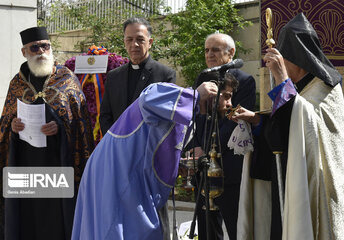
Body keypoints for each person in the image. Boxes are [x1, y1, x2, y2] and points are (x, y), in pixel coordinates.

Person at [232, 13, 344, 239]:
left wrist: (283, 80)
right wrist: (257, 120)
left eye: (283, 58)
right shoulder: (298, 89)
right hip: (287, 180)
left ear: (299, 57)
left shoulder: (326, 88)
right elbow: (283, 130)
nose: (280, 64)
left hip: (313, 188)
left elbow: (308, 126)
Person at [71, 81, 219, 240]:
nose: (229, 104)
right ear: (211, 90)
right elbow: (147, 98)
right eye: (227, 97)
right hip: (116, 171)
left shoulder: (188, 112)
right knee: (115, 228)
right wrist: (195, 94)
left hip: (129, 171)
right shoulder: (173, 93)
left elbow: (155, 146)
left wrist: (177, 165)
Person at [0, 27, 94, 239]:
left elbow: (80, 122)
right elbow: (5, 123)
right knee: (27, 218)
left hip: (57, 164)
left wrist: (60, 127)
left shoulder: (67, 79)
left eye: (46, 46)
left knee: (56, 220)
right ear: (25, 52)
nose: (42, 51)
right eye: (35, 47)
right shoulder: (16, 83)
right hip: (25, 163)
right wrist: (13, 128)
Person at [191, 33, 256, 240]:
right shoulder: (202, 79)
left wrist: (208, 145)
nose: (209, 54)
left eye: (215, 50)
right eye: (207, 50)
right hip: (203, 171)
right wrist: (196, 146)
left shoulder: (245, 82)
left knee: (237, 228)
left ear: (231, 53)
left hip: (230, 169)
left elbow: (235, 122)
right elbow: (194, 116)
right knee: (207, 232)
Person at [100, 17, 176, 135]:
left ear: (150, 42)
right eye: (129, 39)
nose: (134, 44)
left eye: (140, 39)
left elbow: (166, 118)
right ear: (124, 42)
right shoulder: (113, 77)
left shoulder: (165, 75)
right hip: (118, 147)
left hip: (148, 148)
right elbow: (105, 116)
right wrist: (113, 141)